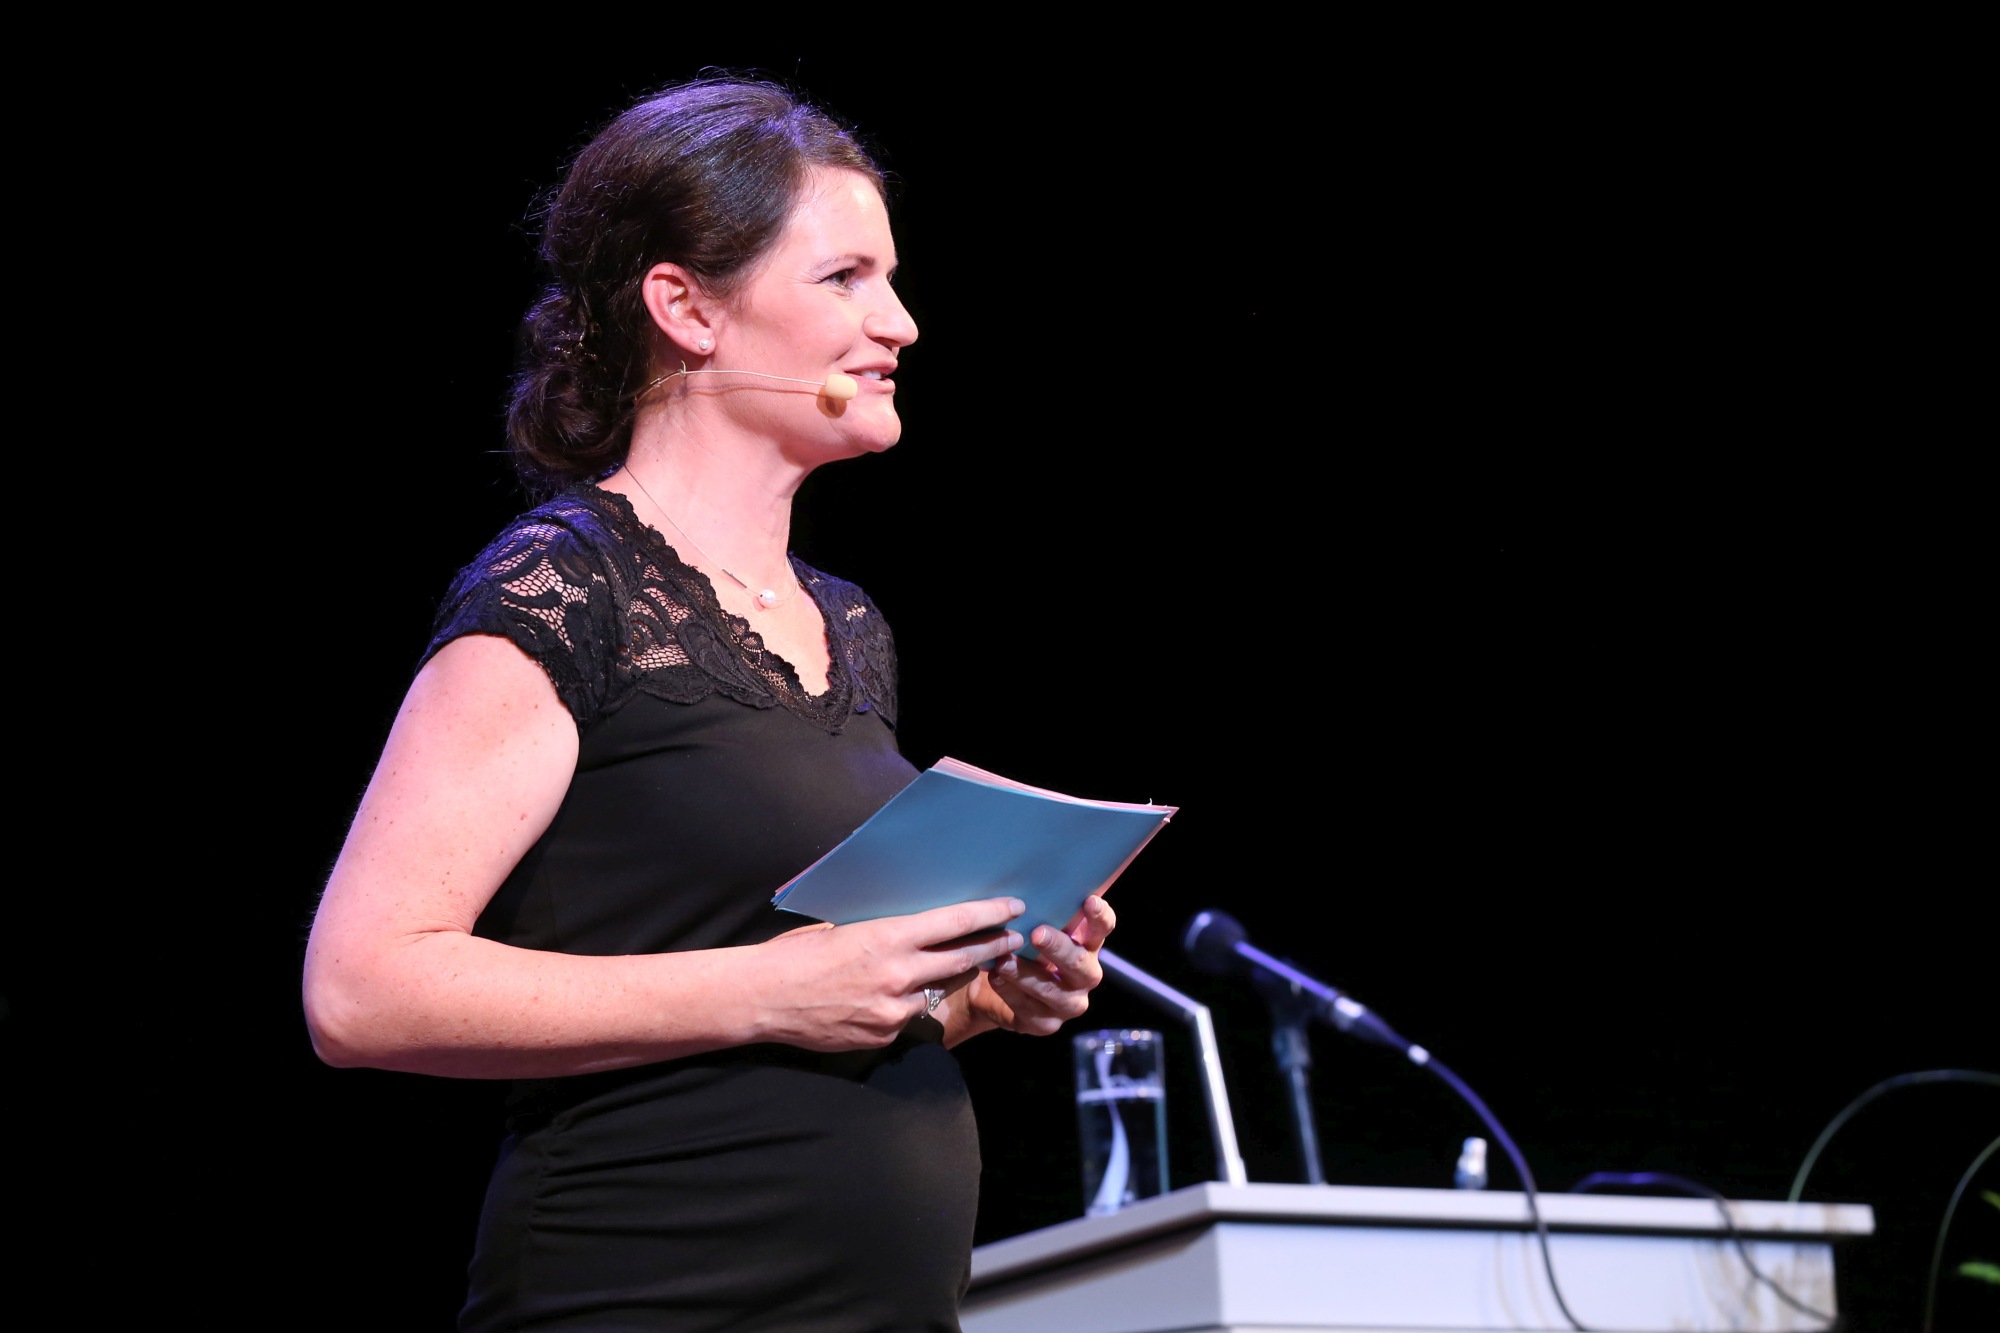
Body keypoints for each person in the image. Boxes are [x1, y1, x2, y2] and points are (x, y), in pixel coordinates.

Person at [302, 76, 1117, 1331]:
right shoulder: (569, 584)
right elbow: (361, 989)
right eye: (842, 277)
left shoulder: (846, 623)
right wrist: (767, 987)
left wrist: (969, 997)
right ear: (684, 306)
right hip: (645, 1285)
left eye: (889, 278)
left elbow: (802, 1010)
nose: (897, 321)